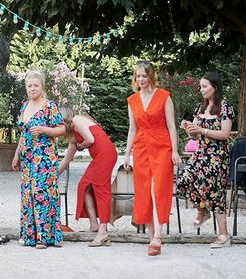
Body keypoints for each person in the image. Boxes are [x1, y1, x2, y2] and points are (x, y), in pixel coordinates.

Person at [124, 61, 181, 256]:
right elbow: (132, 129)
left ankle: (157, 236)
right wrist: (126, 153)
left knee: (159, 189)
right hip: (141, 149)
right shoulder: (132, 100)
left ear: (151, 76)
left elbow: (172, 126)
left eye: (144, 76)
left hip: (162, 147)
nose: (140, 79)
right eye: (138, 76)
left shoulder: (164, 97)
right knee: (144, 191)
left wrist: (175, 151)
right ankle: (152, 238)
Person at [177, 71, 234, 248]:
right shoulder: (199, 108)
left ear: (214, 88)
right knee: (184, 180)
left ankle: (224, 235)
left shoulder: (225, 107)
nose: (201, 90)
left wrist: (202, 131)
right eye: (200, 86)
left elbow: (225, 134)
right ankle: (202, 209)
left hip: (217, 157)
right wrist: (189, 128)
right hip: (201, 154)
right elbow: (194, 136)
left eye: (204, 86)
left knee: (215, 194)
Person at [11, 70, 65, 249]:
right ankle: (30, 236)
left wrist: (44, 129)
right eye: (29, 86)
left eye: (36, 85)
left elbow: (62, 129)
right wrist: (16, 154)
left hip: (44, 158)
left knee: (43, 193)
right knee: (28, 194)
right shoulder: (24, 106)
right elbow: (23, 133)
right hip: (27, 156)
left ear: (42, 86)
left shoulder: (49, 106)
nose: (32, 88)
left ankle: (45, 237)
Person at [58, 107, 117, 247]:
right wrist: (50, 177)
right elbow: (66, 161)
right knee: (84, 186)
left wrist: (79, 146)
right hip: (100, 156)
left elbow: (90, 139)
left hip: (105, 154)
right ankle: (94, 225)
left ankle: (102, 233)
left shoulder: (77, 120)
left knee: (101, 190)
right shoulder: (73, 136)